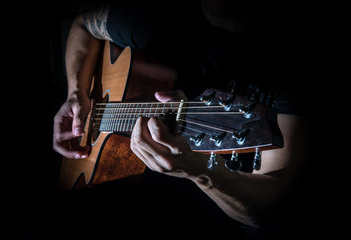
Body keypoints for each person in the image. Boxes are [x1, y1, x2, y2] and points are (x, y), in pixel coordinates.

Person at [53, 1, 314, 238]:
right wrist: (76, 93)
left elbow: (266, 207)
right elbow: (83, 25)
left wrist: (200, 172)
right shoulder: (153, 18)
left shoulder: (292, 60)